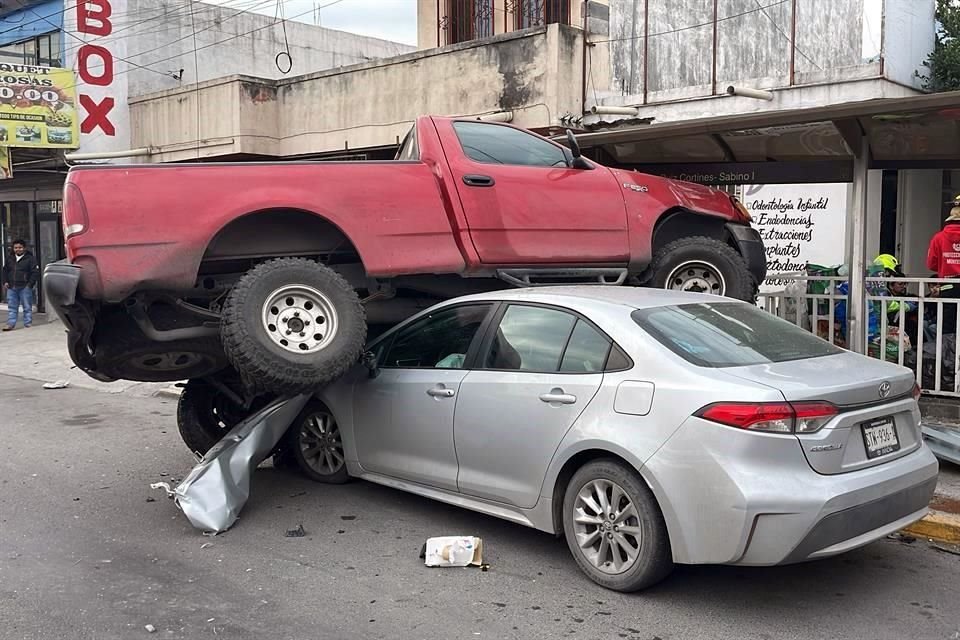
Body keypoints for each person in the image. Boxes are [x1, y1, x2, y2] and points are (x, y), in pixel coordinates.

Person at [926, 200, 960, 334]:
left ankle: (947, 354)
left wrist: (946, 265)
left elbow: (931, 264)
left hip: (948, 285)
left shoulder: (938, 238)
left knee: (947, 325)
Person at [2, 239, 38, 331]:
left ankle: (28, 323)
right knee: (12, 307)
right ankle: (10, 324)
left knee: (27, 306)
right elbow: (5, 271)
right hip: (11, 286)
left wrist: (30, 285)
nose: (18, 249)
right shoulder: (10, 258)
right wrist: (5, 281)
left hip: (25, 287)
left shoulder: (30, 259)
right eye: (16, 248)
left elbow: (34, 272)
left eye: (20, 247)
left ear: (24, 248)